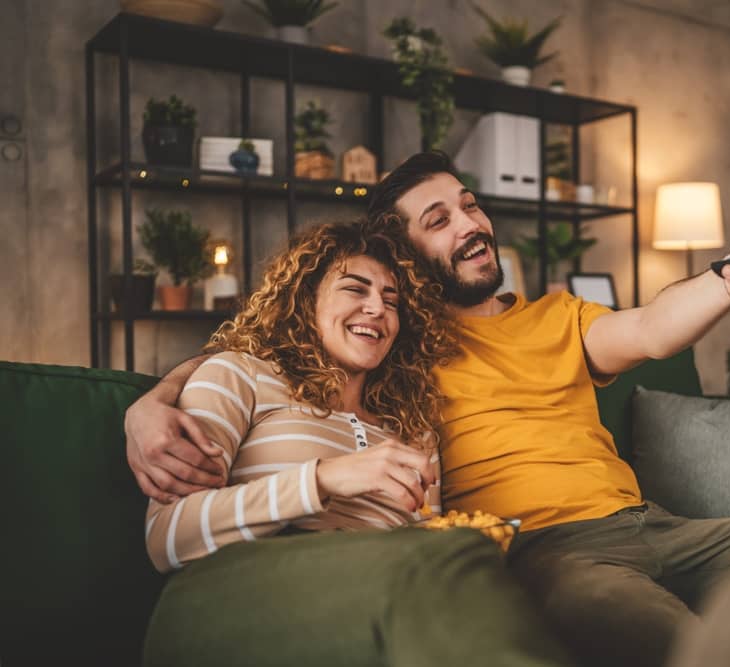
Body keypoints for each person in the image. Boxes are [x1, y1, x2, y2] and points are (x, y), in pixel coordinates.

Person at [128, 153, 730, 667]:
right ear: (402, 255)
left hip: (659, 523)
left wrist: (727, 277)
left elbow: (649, 327)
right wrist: (154, 399)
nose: (470, 223)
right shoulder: (399, 355)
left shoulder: (554, 318)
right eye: (438, 218)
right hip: (547, 551)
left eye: (470, 204)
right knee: (675, 642)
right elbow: (277, 344)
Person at [139, 220, 575, 667]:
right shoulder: (241, 375)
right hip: (234, 592)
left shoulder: (413, 426)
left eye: (391, 301)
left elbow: (428, 537)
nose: (377, 309)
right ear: (306, 298)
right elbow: (167, 537)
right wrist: (324, 479)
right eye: (355, 289)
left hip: (375, 596)